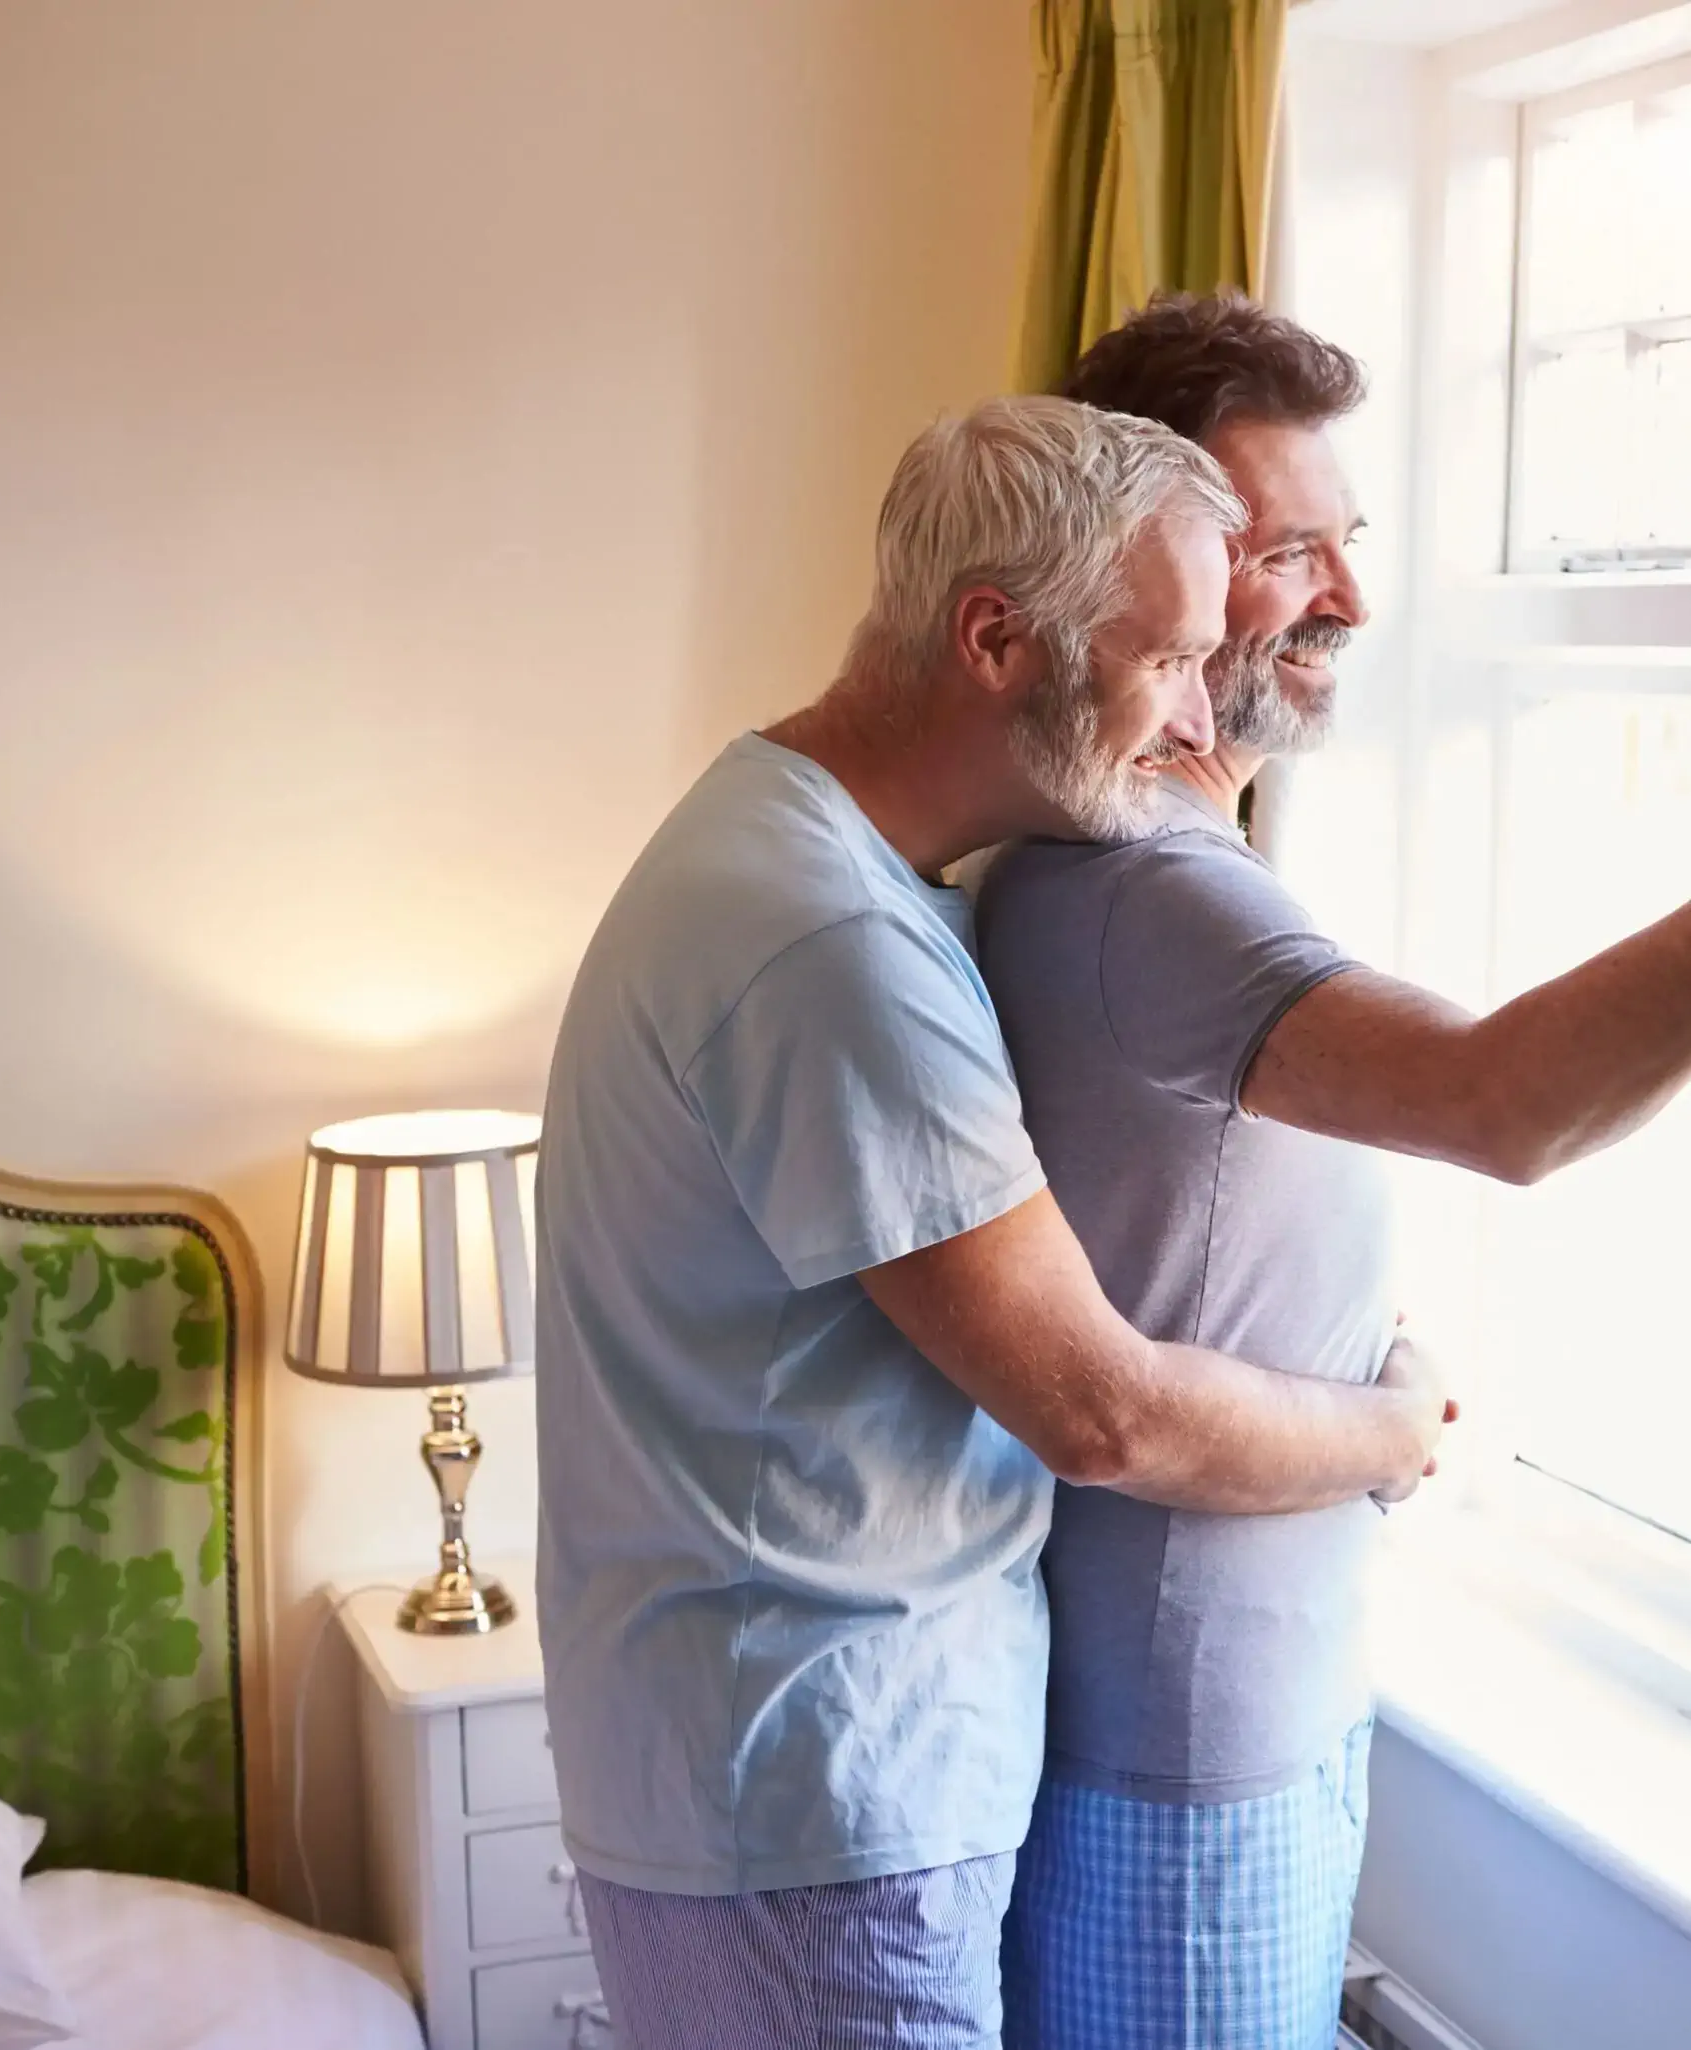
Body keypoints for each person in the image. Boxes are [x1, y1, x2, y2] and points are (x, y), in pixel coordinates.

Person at [976, 294, 1691, 2050]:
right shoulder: (1144, 889)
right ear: (1141, 560)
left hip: (1229, 1704)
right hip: (1184, 1743)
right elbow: (1513, 1102)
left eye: (1353, 541)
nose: (1351, 598)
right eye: (1288, 550)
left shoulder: (1139, 850)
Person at [534, 394, 1454, 2050]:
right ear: (993, 639)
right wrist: (1386, 1432)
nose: (1193, 719)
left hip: (777, 1772)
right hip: (816, 1798)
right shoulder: (828, 947)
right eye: (1169, 657)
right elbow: (1097, 1408)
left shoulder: (780, 837)